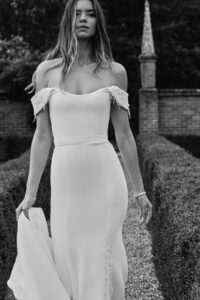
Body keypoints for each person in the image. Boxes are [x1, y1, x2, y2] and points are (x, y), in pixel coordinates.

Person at [12, 0, 152, 299]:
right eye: (78, 13)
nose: (84, 19)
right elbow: (42, 137)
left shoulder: (115, 72)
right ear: (68, 20)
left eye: (90, 13)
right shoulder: (45, 73)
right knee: (68, 251)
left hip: (105, 179)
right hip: (65, 182)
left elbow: (124, 135)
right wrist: (30, 193)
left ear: (98, 21)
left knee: (103, 253)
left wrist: (140, 191)